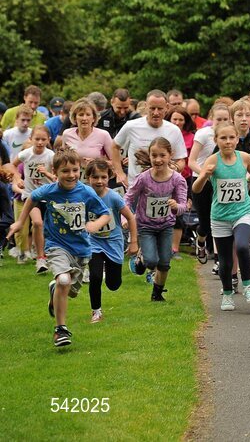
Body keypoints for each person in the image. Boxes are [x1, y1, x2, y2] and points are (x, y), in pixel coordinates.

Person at [6, 147, 110, 347]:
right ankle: (61, 329)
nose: (71, 175)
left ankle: (54, 290)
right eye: (65, 171)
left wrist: (94, 225)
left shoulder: (86, 191)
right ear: (56, 172)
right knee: (64, 279)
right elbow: (31, 198)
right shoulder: (50, 190)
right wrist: (20, 222)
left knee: (69, 290)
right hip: (56, 246)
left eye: (75, 170)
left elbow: (105, 213)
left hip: (81, 250)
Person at [193, 122, 250, 312]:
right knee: (224, 260)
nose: (228, 141)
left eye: (231, 137)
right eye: (223, 138)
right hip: (220, 216)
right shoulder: (212, 161)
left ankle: (248, 285)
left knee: (242, 245)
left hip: (242, 212)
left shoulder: (244, 158)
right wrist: (203, 176)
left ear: (237, 139)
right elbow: (196, 189)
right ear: (216, 140)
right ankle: (227, 295)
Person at [125, 137, 189, 302]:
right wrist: (125, 216)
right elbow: (128, 198)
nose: (158, 159)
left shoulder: (177, 180)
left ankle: (157, 293)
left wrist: (175, 206)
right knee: (152, 260)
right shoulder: (143, 178)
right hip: (145, 226)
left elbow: (183, 206)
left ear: (170, 155)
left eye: (162, 155)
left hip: (166, 225)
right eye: (154, 155)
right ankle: (141, 257)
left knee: (164, 263)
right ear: (150, 156)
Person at [84, 158, 138, 323]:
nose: (99, 181)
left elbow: (130, 217)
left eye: (103, 177)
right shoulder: (84, 196)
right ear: (88, 178)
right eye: (95, 177)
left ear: (109, 178)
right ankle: (96, 311)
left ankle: (110, 269)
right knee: (95, 276)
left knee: (113, 285)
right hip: (94, 242)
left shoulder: (113, 197)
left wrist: (133, 241)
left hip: (113, 242)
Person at [112, 90, 188, 187]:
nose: (156, 112)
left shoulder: (174, 130)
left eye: (160, 109)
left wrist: (172, 169)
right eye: (152, 108)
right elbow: (114, 146)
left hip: (165, 189)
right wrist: (120, 173)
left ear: (167, 107)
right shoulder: (131, 126)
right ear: (146, 106)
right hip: (137, 188)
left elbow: (181, 159)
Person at [188, 104, 232, 267]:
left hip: (221, 181)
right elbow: (191, 162)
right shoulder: (203, 134)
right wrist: (205, 174)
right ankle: (200, 241)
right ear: (211, 118)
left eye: (225, 119)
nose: (221, 122)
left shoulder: (230, 135)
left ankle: (218, 260)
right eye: (218, 119)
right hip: (201, 181)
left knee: (219, 220)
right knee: (206, 223)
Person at [13, 126, 55, 273]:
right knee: (37, 223)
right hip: (31, 195)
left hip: (48, 196)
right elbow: (12, 166)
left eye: (43, 139)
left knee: (49, 228)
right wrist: (18, 178)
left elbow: (57, 178)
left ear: (48, 140)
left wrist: (47, 174)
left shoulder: (51, 156)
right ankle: (40, 259)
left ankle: (50, 255)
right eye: (37, 139)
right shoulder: (26, 154)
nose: (40, 142)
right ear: (30, 139)